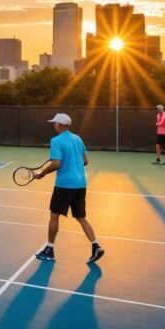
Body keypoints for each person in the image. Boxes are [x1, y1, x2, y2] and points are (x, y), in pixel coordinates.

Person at [33, 113, 104, 264]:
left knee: (54, 216)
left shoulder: (56, 141)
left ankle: (49, 250)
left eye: (55, 123)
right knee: (81, 217)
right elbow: (85, 161)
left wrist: (42, 173)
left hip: (64, 184)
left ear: (60, 125)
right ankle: (95, 245)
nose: (54, 125)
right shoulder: (78, 139)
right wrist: (73, 165)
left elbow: (56, 164)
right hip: (80, 184)